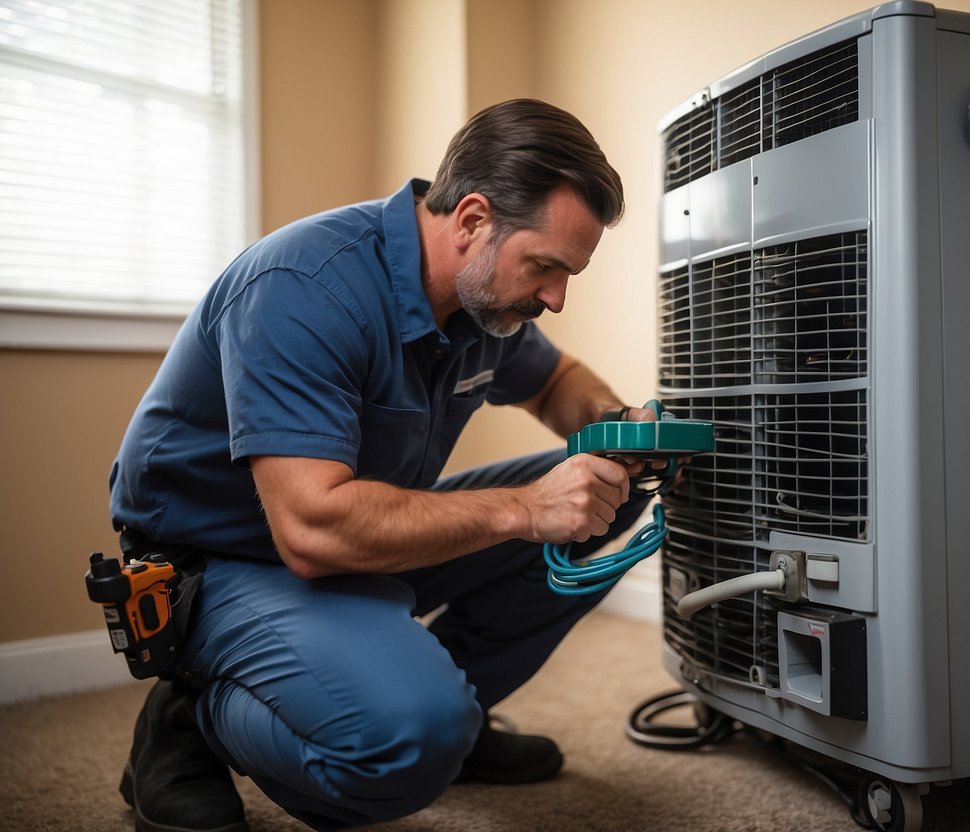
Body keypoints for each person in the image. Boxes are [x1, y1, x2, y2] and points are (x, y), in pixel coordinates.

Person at [108, 98, 657, 832]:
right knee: (401, 745)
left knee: (605, 489)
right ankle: (191, 712)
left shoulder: (484, 302)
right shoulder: (304, 286)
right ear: (470, 221)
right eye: (546, 268)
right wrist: (524, 507)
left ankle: (445, 699)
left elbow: (557, 383)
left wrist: (620, 430)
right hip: (223, 556)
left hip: (356, 531)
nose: (555, 298)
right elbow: (311, 530)